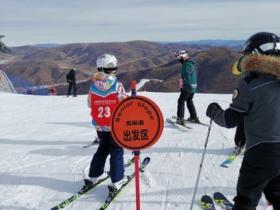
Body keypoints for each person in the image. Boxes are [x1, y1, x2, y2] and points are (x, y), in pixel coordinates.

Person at [206, 32, 280, 210]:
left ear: (254, 55)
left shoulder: (251, 83)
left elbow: (229, 120)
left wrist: (213, 111)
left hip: (260, 154)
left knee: (246, 201)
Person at [83, 53, 127, 191]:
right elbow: (124, 104)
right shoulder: (117, 86)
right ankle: (117, 180)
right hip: (114, 124)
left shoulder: (93, 86)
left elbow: (90, 104)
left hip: (99, 125)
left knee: (102, 148)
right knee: (117, 150)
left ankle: (94, 175)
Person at [175, 50, 200, 125]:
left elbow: (187, 77)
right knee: (189, 100)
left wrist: (183, 87)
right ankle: (193, 117)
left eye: (179, 57)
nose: (178, 59)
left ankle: (180, 119)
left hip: (188, 87)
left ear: (183, 57)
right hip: (193, 86)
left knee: (181, 101)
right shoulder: (189, 64)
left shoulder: (186, 65)